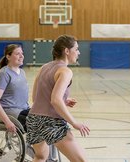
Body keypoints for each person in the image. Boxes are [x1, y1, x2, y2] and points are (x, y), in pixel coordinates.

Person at [26, 34, 90, 162]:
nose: (79, 52)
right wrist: (74, 123)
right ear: (67, 51)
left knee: (40, 157)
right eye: (76, 49)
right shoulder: (65, 71)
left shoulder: (44, 67)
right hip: (51, 123)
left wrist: (64, 100)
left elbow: (36, 98)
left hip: (33, 119)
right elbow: (55, 100)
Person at [0, 44, 30, 132]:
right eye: (17, 54)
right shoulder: (3, 74)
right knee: (37, 123)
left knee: (44, 118)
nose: (21, 56)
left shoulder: (22, 72)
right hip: (10, 111)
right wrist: (7, 122)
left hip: (23, 109)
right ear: (8, 56)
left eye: (22, 53)